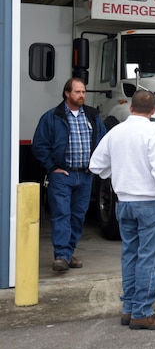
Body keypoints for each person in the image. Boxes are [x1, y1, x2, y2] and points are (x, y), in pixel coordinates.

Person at [88, 91, 155, 330]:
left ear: (130, 108)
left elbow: (96, 165)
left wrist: (116, 176)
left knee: (130, 254)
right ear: (154, 110)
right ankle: (142, 312)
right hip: (150, 202)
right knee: (149, 257)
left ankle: (128, 308)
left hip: (123, 202)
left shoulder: (115, 133)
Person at [32, 77, 107, 272]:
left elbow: (104, 143)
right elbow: (39, 145)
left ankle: (68, 252)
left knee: (77, 217)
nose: (82, 95)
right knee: (61, 215)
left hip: (85, 176)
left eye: (83, 92)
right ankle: (61, 256)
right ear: (67, 93)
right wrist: (51, 167)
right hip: (61, 176)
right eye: (77, 92)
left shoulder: (92, 116)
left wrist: (96, 165)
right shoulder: (52, 117)